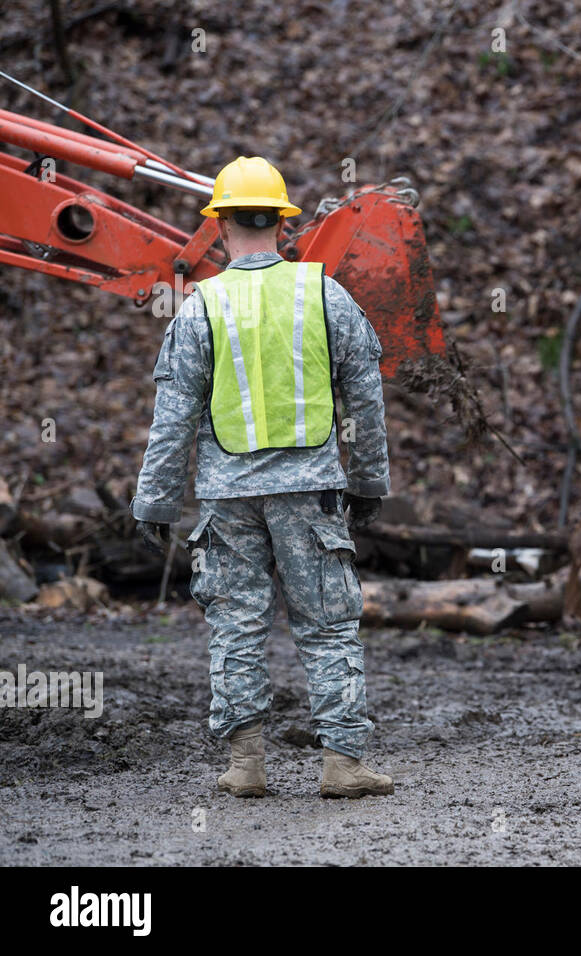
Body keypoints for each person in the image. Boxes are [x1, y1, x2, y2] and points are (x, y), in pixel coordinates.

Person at [132, 156, 393, 798]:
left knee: (236, 624)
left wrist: (155, 504)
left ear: (219, 225)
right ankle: (342, 764)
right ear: (282, 223)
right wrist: (369, 483)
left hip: (228, 498)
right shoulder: (323, 293)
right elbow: (365, 396)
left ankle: (246, 766)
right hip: (311, 492)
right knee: (329, 624)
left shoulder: (202, 307)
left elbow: (174, 415)